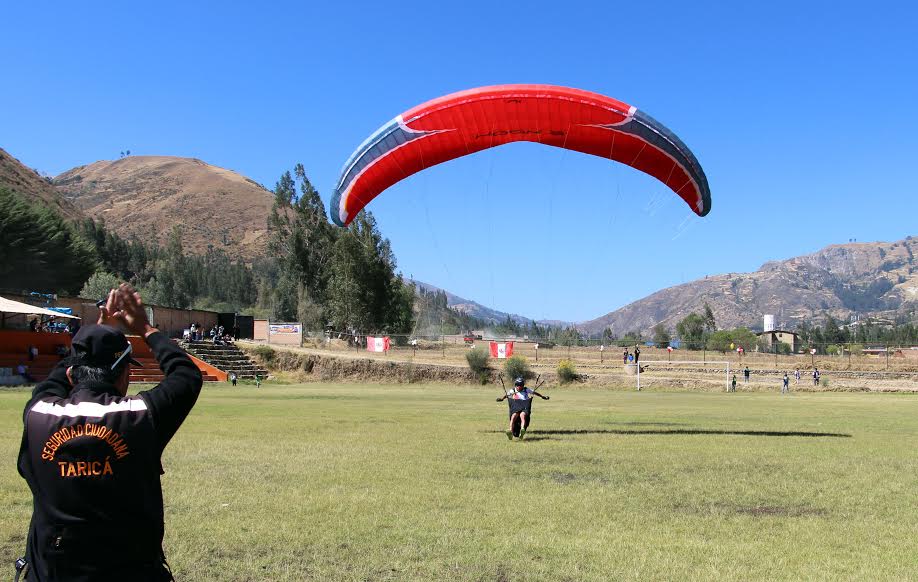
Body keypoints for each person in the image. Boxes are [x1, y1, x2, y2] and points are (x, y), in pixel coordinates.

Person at [15, 284, 203, 581]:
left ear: (69, 373)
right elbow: (186, 376)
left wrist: (92, 335)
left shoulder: (38, 414)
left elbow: (53, 383)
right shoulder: (139, 416)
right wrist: (145, 327)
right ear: (124, 374)